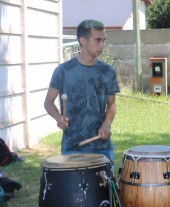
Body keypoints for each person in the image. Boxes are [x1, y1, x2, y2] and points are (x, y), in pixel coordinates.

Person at [44, 19, 118, 163]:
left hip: (102, 147)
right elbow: (48, 102)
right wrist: (58, 118)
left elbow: (112, 105)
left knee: (105, 186)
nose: (102, 45)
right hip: (73, 146)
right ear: (83, 40)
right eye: (97, 40)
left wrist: (107, 123)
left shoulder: (108, 72)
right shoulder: (63, 71)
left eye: (103, 40)